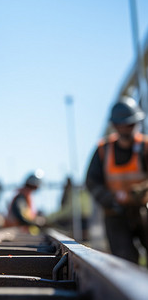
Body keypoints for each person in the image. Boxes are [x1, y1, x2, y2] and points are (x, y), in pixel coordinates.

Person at [86, 97, 148, 265]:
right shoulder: (103, 150)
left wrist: (141, 191)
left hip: (143, 211)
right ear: (115, 126)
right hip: (115, 214)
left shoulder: (145, 146)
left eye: (131, 124)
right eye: (124, 125)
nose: (128, 129)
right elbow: (91, 181)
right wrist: (110, 200)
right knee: (124, 261)